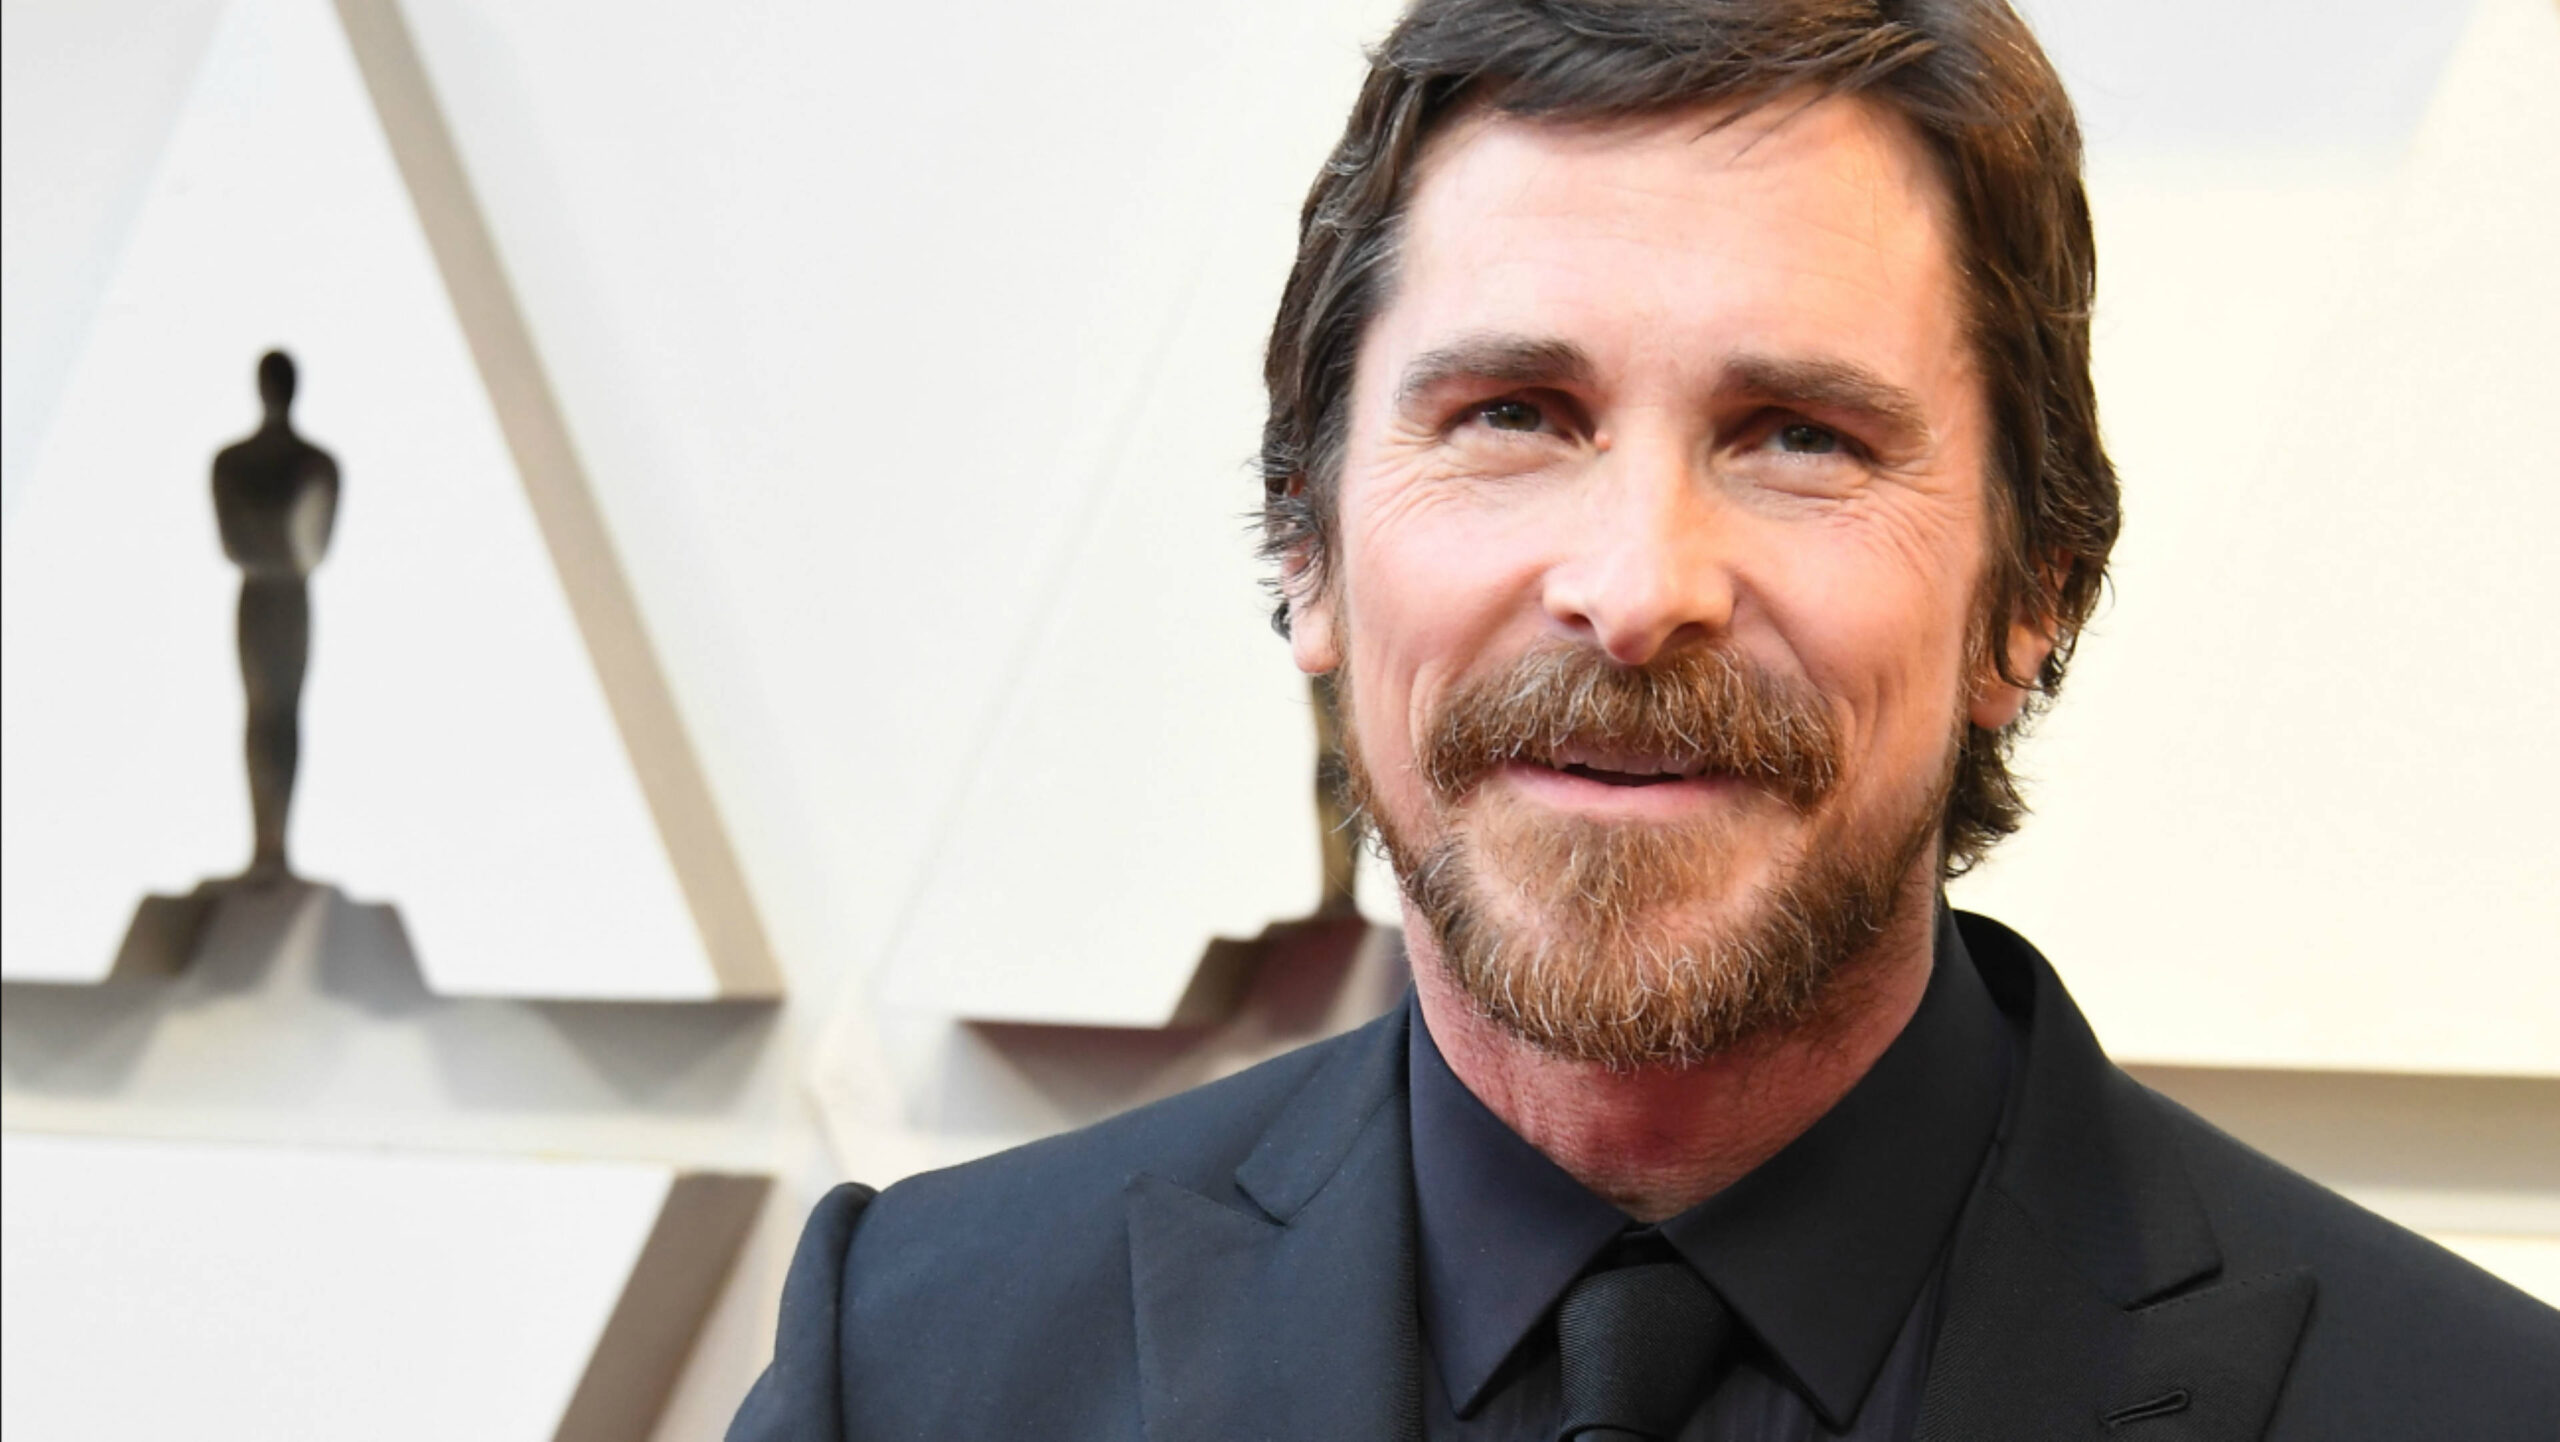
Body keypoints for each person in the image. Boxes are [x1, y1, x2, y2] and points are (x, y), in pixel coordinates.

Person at [731, 1, 2559, 1437]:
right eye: (1516, 413)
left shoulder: (2473, 1407)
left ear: (2032, 594)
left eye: (1799, 437)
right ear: (1306, 545)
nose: (1636, 586)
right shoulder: (907, 1363)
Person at [211, 350, 339, 885]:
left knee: (282, 712)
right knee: (263, 710)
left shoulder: (314, 464)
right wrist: (278, 545)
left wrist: (272, 544)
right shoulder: (234, 463)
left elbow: (312, 547)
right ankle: (265, 846)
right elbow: (237, 543)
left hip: (285, 598)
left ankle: (276, 845)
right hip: (265, 596)